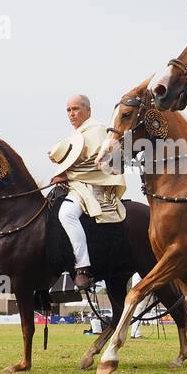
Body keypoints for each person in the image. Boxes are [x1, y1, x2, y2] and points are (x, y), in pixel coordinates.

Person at [48, 94, 127, 289]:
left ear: (88, 110)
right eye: (68, 110)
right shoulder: (78, 134)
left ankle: (83, 268)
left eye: (75, 109)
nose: (71, 114)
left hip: (95, 187)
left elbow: (104, 162)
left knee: (66, 214)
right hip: (78, 186)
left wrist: (68, 176)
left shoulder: (98, 130)